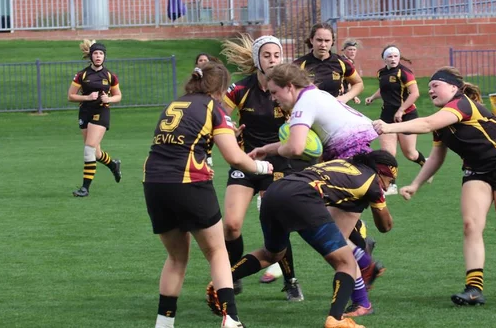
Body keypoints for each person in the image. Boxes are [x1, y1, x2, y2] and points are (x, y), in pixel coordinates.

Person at [373, 66, 496, 306]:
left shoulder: (462, 105)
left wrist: (388, 126)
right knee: (471, 225)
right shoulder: (443, 118)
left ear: (453, 87)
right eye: (428, 87)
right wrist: (416, 184)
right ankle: (474, 289)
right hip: (476, 170)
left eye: (435, 85)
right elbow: (437, 155)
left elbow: (427, 124)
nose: (430, 90)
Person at [143, 60, 273, 328]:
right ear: (220, 87)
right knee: (217, 252)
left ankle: (164, 323)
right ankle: (231, 319)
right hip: (188, 182)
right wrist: (261, 166)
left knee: (177, 257)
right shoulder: (214, 108)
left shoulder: (174, 103)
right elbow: (235, 157)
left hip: (154, 183)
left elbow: (185, 141)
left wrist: (217, 140)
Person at [249, 63, 383, 317]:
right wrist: (269, 148)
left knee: (333, 241)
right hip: (357, 160)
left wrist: (274, 154)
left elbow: (297, 148)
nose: (273, 98)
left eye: (275, 92)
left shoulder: (304, 103)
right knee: (332, 238)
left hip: (352, 163)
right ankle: (365, 270)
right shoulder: (316, 95)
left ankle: (363, 289)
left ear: (290, 87)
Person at [209, 150, 398, 328]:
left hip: (274, 193)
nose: (389, 186)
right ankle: (336, 319)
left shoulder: (344, 164)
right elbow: (385, 226)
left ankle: (222, 281)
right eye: (391, 180)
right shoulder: (373, 183)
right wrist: (379, 199)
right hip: (302, 197)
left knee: (272, 253)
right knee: (346, 262)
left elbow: (342, 217)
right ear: (382, 172)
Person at [220, 34, 309, 300]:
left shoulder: (288, 89)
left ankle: (291, 280)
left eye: (277, 55)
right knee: (232, 225)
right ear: (257, 58)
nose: (272, 60)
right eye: (267, 55)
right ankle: (234, 278)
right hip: (246, 161)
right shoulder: (240, 89)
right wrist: (228, 129)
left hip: (279, 164)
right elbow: (219, 113)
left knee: (277, 223)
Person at [365, 45, 430, 195]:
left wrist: (401, 110)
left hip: (407, 116)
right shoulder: (381, 73)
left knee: (410, 153)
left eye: (396, 56)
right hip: (387, 117)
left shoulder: (405, 72)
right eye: (390, 56)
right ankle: (391, 185)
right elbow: (384, 88)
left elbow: (415, 93)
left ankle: (426, 165)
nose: (393, 59)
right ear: (384, 59)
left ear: (399, 57)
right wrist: (373, 97)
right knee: (388, 153)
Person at [68, 40, 122, 197]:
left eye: (101, 54)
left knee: (89, 148)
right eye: (96, 53)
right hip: (85, 112)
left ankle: (85, 188)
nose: (98, 56)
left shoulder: (110, 76)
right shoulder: (82, 75)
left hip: (102, 112)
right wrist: (87, 97)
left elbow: (118, 96)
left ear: (104, 57)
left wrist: (108, 100)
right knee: (95, 153)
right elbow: (71, 96)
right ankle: (113, 165)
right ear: (90, 56)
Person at [294, 22, 363, 104]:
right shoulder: (299, 64)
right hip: (310, 113)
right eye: (319, 40)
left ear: (332, 42)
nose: (323, 45)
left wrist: (345, 97)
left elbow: (358, 83)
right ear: (311, 40)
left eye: (327, 41)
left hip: (335, 113)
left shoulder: (342, 62)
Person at [340, 39, 362, 104]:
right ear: (344, 50)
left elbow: (348, 81)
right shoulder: (343, 62)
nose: (352, 52)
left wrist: (353, 96)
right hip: (340, 95)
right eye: (350, 49)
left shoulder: (349, 62)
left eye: (354, 50)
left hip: (344, 95)